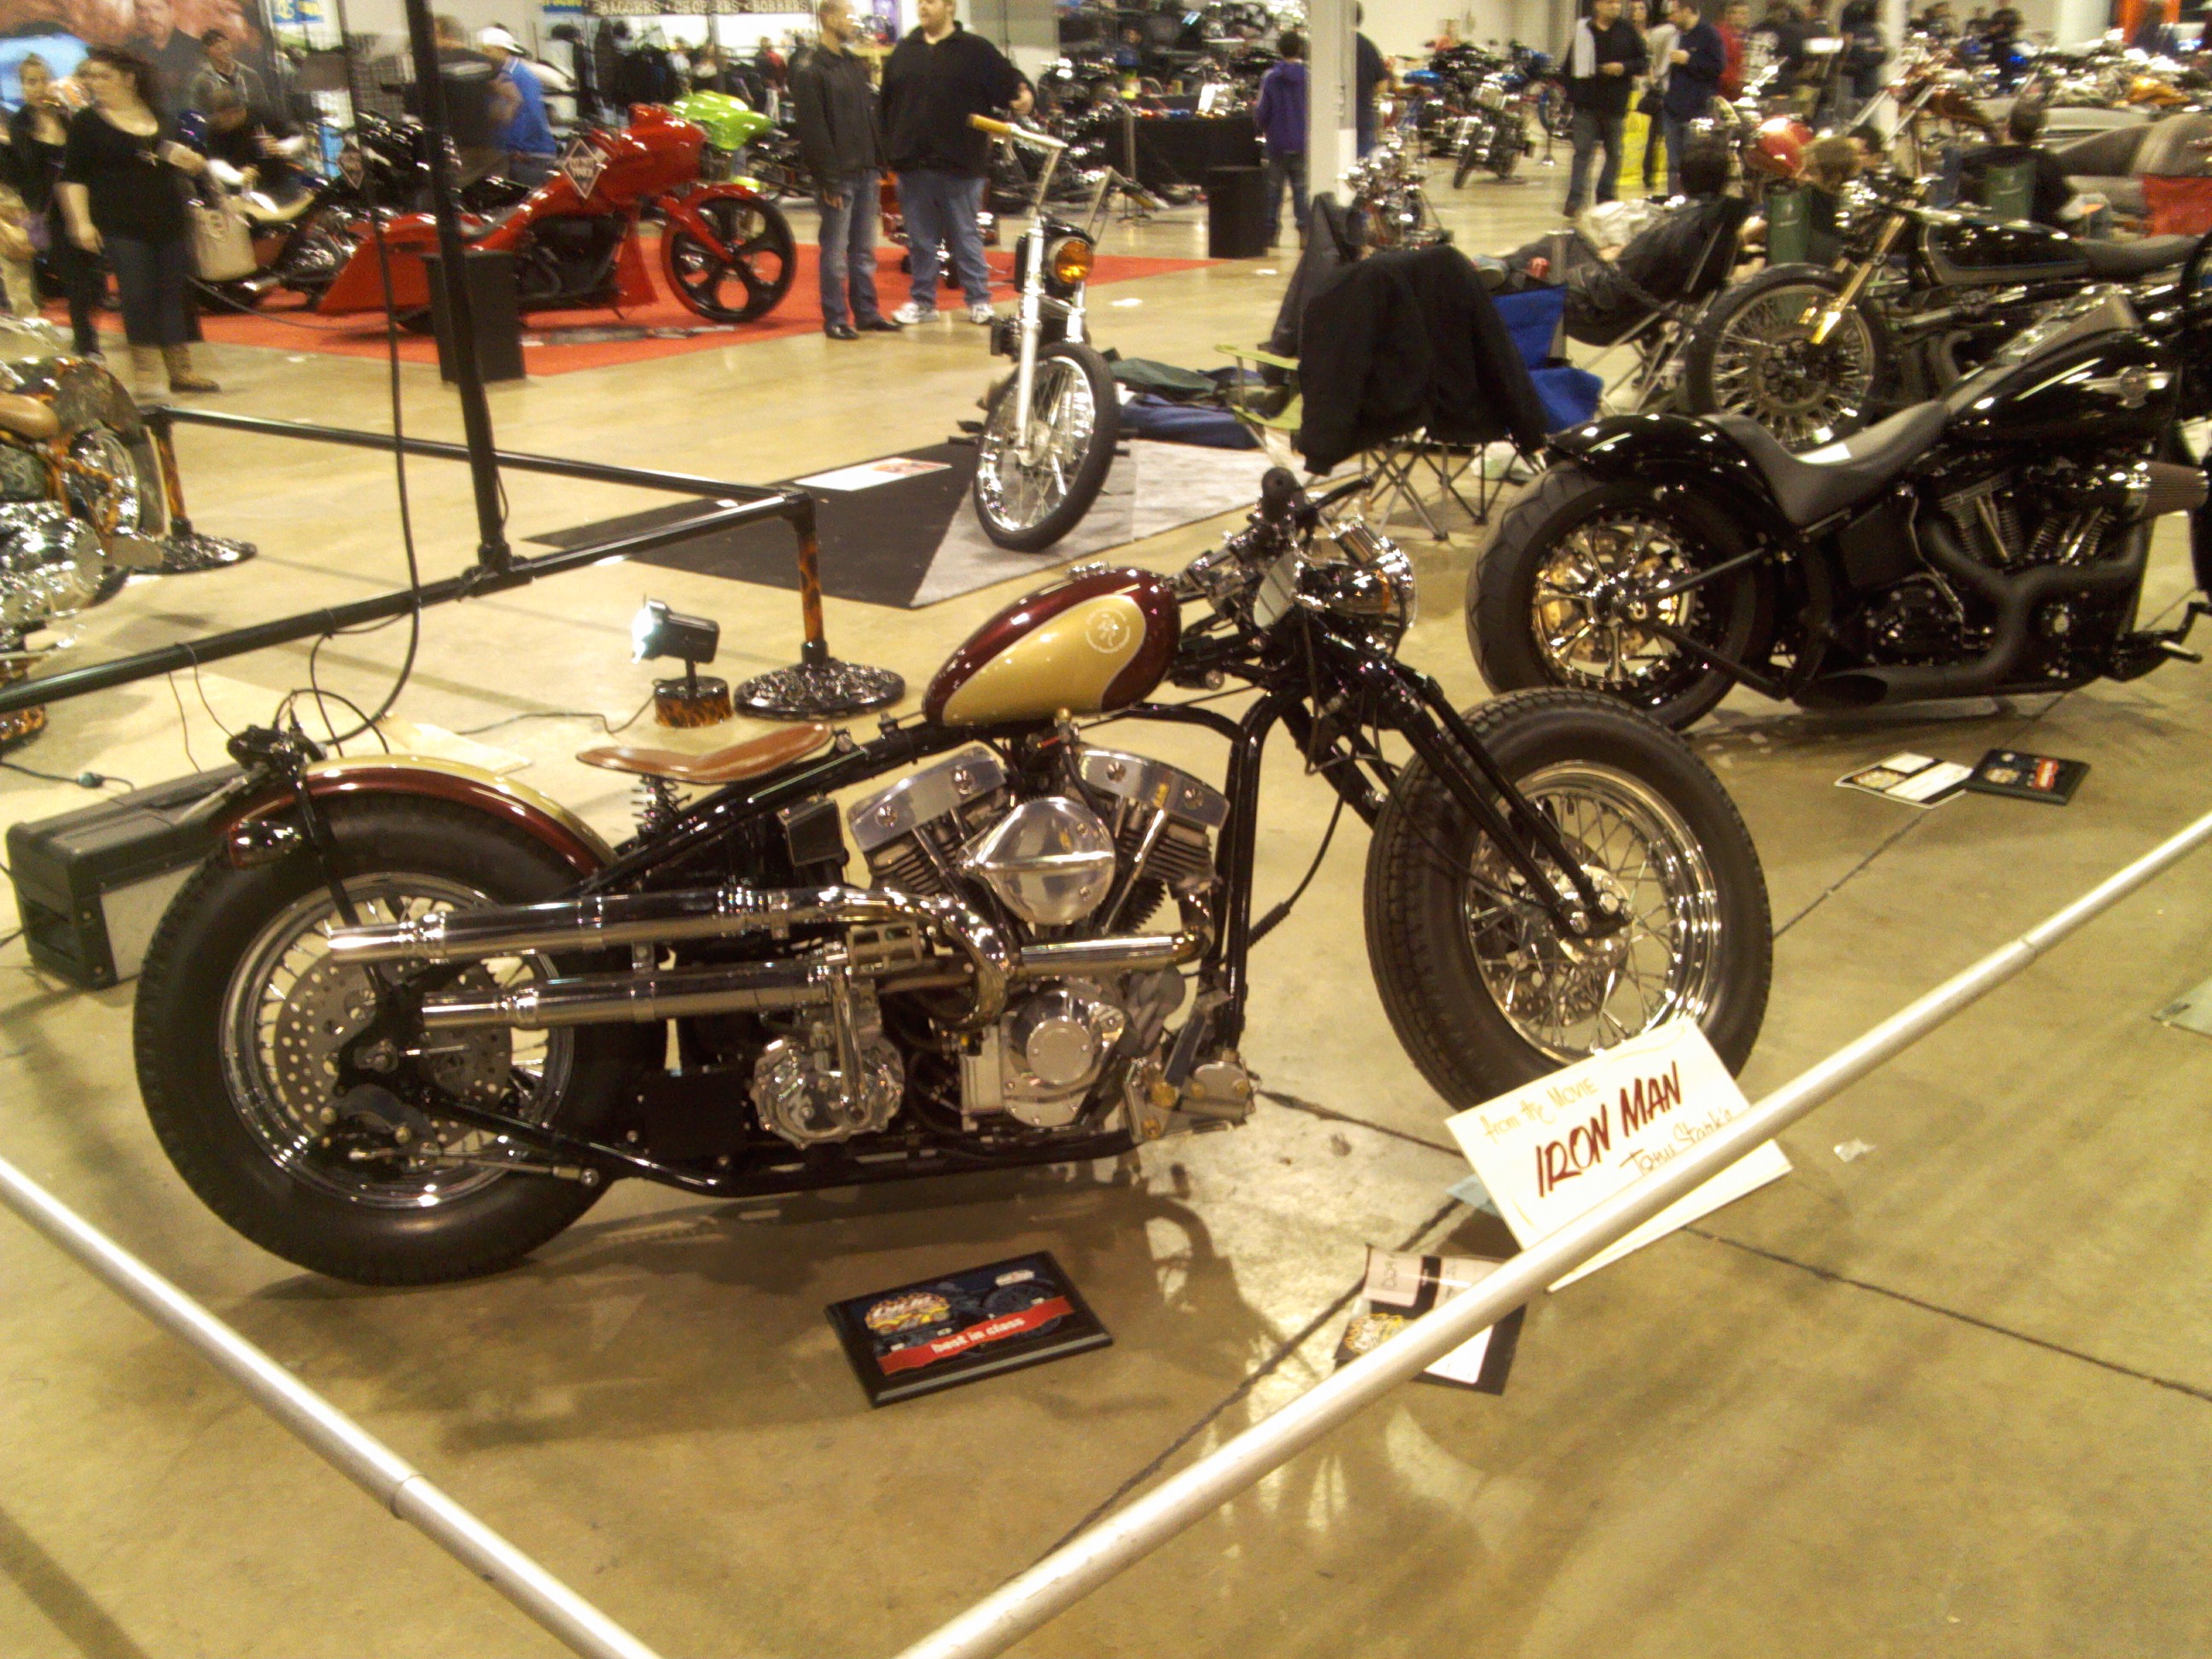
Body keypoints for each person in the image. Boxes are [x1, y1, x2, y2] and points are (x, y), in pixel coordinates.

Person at [59, 46, 217, 397]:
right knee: (137, 293)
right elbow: (73, 177)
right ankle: (146, 372)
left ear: (129, 79)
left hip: (168, 216)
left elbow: (184, 159)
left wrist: (192, 162)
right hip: (119, 221)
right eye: (90, 76)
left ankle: (181, 370)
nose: (94, 82)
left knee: (172, 293)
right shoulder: (87, 122)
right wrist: (81, 223)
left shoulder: (160, 116)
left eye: (104, 76)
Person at [879, 0, 1030, 327]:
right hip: (912, 164)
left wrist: (1024, 92)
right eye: (920, 2)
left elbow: (1009, 81)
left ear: (950, 6)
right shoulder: (904, 52)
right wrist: (889, 152)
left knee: (966, 236)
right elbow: (885, 105)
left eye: (930, 1)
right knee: (920, 241)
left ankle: (979, 302)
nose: (923, 7)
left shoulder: (975, 50)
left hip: (961, 164)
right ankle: (923, 302)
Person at [795, 0, 897, 340]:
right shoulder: (810, 68)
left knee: (864, 251)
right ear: (827, 18)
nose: (854, 22)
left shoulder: (852, 63)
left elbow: (867, 116)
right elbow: (814, 129)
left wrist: (878, 160)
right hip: (838, 174)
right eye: (848, 16)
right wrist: (829, 180)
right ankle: (836, 318)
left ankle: (867, 312)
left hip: (866, 169)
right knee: (836, 252)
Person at [9, 55, 99, 352]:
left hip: (82, 204)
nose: (37, 88)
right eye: (30, 82)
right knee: (73, 279)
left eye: (42, 80)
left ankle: (86, 337)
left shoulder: (67, 117)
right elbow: (21, 173)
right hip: (49, 212)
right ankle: (86, 343)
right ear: (22, 86)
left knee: (90, 280)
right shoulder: (19, 124)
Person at [1563, 0, 1647, 217]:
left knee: (1615, 154)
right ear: (1598, 5)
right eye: (1610, 2)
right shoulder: (1584, 30)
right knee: (1582, 154)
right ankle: (1575, 200)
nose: (1616, 6)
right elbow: (1568, 68)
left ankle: (1606, 196)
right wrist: (1573, 97)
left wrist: (1623, 67)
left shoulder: (1627, 31)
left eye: (1618, 3)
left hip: (1615, 104)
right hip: (1586, 104)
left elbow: (1643, 62)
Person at [1957, 99, 2080, 227]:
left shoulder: (1971, 161)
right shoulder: (2045, 161)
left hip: (1983, 232)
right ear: (2038, 133)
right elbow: (2069, 211)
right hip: (2032, 235)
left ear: (2007, 126)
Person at [428, 14, 516, 189]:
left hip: (458, 151)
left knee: (460, 198)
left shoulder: (432, 66)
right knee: (499, 197)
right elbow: (514, 97)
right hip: (490, 148)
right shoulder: (487, 62)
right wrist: (499, 119)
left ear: (441, 35)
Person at [478, 26, 557, 186]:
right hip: (510, 154)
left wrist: (520, 148)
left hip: (529, 156)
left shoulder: (522, 77)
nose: (483, 55)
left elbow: (532, 115)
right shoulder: (496, 76)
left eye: (487, 50)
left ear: (502, 50)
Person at [1661, 0, 1723, 195]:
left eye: (1675, 12)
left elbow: (1717, 67)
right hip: (1672, 107)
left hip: (1697, 109)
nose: (1671, 17)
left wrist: (1690, 60)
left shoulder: (1709, 35)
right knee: (1673, 164)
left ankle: (1693, 202)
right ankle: (1674, 200)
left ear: (1687, 11)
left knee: (1693, 163)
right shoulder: (1675, 35)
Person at [1253, 29, 1307, 248]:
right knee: (1301, 191)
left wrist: (1265, 128)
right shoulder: (1309, 77)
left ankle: (1270, 234)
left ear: (1279, 50)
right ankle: (1304, 233)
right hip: (1302, 142)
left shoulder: (1270, 77)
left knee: (1273, 191)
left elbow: (1261, 112)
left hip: (1277, 143)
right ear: (1301, 49)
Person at [127, 0, 206, 111]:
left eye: (157, 8)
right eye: (142, 9)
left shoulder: (197, 49)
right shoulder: (131, 51)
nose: (150, 17)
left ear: (171, 11)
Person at [1635, 0, 1673, 192]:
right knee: (1663, 136)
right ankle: (1661, 174)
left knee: (1654, 137)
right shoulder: (1671, 34)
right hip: (1665, 88)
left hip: (1659, 85)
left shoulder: (1657, 33)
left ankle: (1649, 174)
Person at [1839, 0, 1886, 106]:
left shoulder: (1873, 30)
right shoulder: (1866, 31)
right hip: (1858, 86)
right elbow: (1868, 55)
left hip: (1868, 84)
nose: (1881, 12)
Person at [1354, 3, 1387, 154]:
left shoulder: (1329, 45)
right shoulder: (1368, 46)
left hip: (1330, 118)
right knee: (1364, 160)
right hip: (1363, 115)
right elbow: (1382, 85)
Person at [1719, 0, 1749, 95]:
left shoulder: (1750, 36)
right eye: (1740, 13)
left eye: (1745, 14)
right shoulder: (1720, 36)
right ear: (1729, 15)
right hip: (1725, 90)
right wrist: (1735, 82)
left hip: (1746, 87)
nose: (1744, 17)